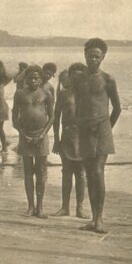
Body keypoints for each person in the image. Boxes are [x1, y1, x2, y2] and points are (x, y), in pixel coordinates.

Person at [74, 38, 121, 234]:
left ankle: (99, 219)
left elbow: (117, 108)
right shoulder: (79, 79)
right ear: (84, 55)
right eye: (89, 55)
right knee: (89, 174)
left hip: (102, 129)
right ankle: (93, 219)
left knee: (98, 172)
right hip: (84, 130)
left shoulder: (108, 79)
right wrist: (80, 125)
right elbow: (78, 105)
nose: (93, 59)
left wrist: (106, 127)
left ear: (103, 57)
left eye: (96, 56)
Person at [13, 64, 54, 218]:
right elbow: (14, 119)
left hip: (41, 136)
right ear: (26, 79)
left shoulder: (46, 94)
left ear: (41, 79)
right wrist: (23, 135)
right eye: (30, 78)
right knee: (28, 172)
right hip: (25, 136)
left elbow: (52, 117)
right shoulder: (19, 94)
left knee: (42, 172)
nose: (33, 81)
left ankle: (40, 207)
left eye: (36, 78)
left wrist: (43, 134)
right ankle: (30, 206)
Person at [52, 62, 87, 218]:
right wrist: (56, 140)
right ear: (70, 77)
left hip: (83, 138)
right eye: (74, 75)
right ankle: (65, 207)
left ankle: (80, 208)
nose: (77, 78)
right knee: (66, 173)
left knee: (81, 174)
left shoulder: (89, 93)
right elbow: (56, 118)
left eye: (80, 75)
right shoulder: (63, 94)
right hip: (67, 136)